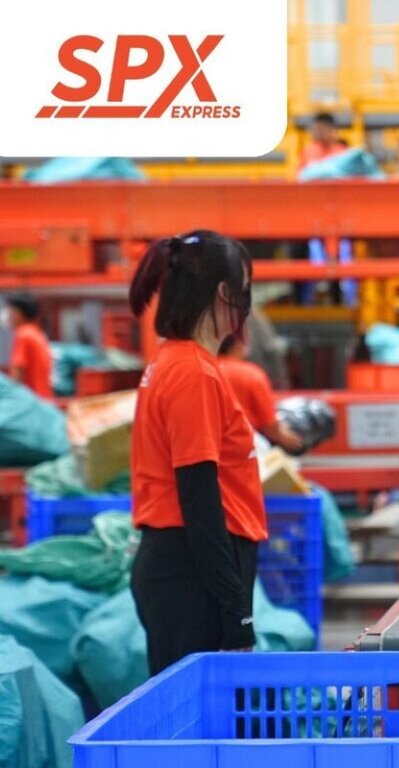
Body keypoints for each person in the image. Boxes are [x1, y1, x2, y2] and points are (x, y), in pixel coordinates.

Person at [127, 230, 264, 675]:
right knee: (202, 712)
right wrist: (236, 612)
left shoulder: (175, 361)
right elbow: (199, 497)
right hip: (191, 571)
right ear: (225, 292)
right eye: (245, 289)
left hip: (182, 566)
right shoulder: (193, 373)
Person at [218, 335, 303, 453]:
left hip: (210, 444)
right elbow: (270, 425)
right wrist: (289, 439)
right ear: (238, 345)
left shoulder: (206, 368)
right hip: (244, 446)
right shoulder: (251, 373)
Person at [3, 293, 53, 400]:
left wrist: (10, 399)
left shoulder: (23, 334)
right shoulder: (36, 333)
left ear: (20, 313)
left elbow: (18, 373)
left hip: (30, 401)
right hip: (43, 400)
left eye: (12, 311)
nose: (9, 316)